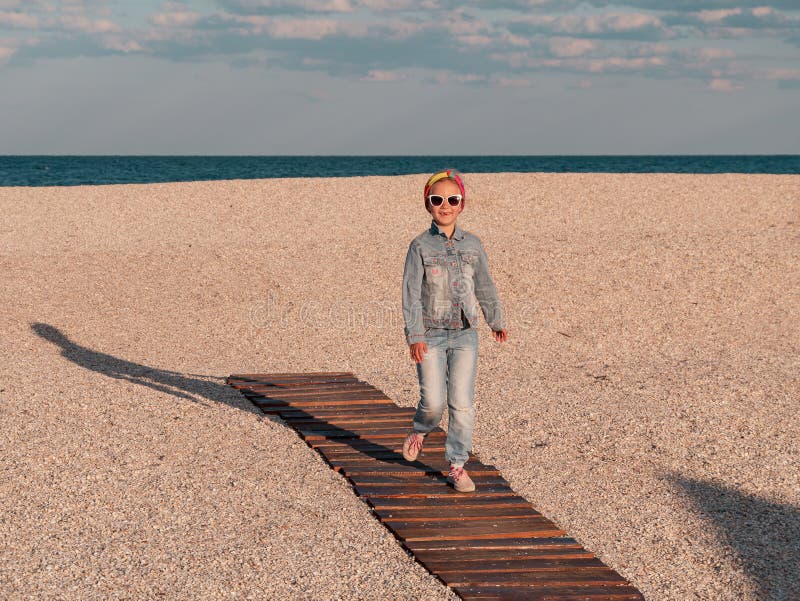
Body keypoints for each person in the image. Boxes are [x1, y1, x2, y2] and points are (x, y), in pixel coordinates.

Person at [401, 169, 508, 493]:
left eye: (452, 199)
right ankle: (421, 429)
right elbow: (410, 293)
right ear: (428, 205)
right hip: (430, 333)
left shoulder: (473, 245)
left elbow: (485, 285)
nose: (444, 205)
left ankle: (457, 465)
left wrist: (495, 320)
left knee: (461, 403)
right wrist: (415, 335)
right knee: (433, 402)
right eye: (437, 200)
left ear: (462, 204)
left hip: (465, 334)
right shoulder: (419, 245)